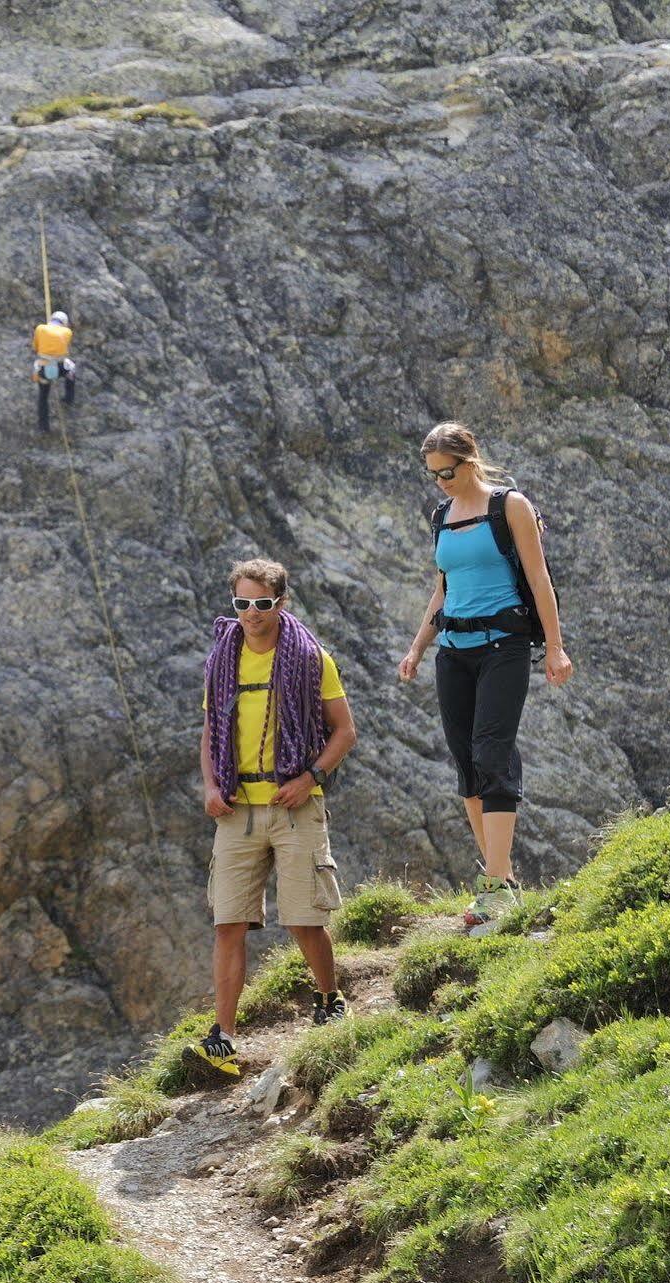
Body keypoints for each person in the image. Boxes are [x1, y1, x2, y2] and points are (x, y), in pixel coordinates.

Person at [397, 422, 572, 922]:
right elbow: (443, 588)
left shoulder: (509, 506)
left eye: (448, 471)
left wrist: (555, 649)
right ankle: (503, 879)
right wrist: (417, 648)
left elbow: (540, 580)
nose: (441, 481)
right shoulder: (441, 515)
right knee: (467, 764)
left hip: (505, 645)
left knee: (493, 752)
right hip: (453, 650)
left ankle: (494, 886)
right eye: (433, 475)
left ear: (471, 461)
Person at [192, 558, 358, 1076]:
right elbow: (210, 732)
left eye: (262, 604)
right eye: (242, 604)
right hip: (237, 810)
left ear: (281, 603)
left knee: (304, 919)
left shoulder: (312, 660)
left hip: (294, 806)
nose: (251, 614)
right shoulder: (222, 661)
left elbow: (344, 732)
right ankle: (223, 1037)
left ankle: (330, 999)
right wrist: (211, 785)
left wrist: (310, 777)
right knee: (228, 923)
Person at [31, 310, 77, 434]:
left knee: (43, 397)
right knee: (71, 370)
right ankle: (68, 399)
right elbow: (64, 348)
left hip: (44, 369)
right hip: (60, 368)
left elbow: (35, 347)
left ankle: (43, 427)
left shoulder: (40, 328)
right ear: (64, 323)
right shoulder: (67, 332)